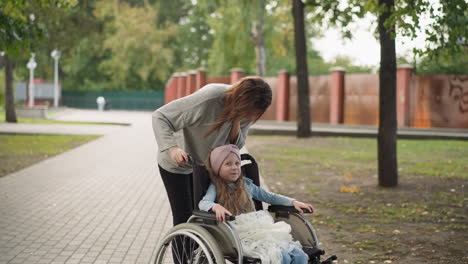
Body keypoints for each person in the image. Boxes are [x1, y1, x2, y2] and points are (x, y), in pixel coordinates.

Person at [152, 77, 272, 228]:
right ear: (241, 99)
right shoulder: (210, 98)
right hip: (178, 162)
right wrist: (172, 148)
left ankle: (199, 251)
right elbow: (160, 116)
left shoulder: (248, 110)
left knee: (206, 215)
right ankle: (183, 251)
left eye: (254, 114)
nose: (249, 117)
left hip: (207, 165)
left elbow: (237, 145)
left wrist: (235, 120)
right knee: (184, 216)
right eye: (247, 112)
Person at [199, 144, 314, 264]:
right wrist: (215, 206)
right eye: (228, 164)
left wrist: (293, 202)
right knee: (281, 257)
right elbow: (204, 203)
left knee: (299, 255)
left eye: (237, 163)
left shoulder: (246, 185)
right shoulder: (215, 187)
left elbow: (270, 197)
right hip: (237, 233)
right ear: (217, 168)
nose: (234, 167)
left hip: (259, 228)